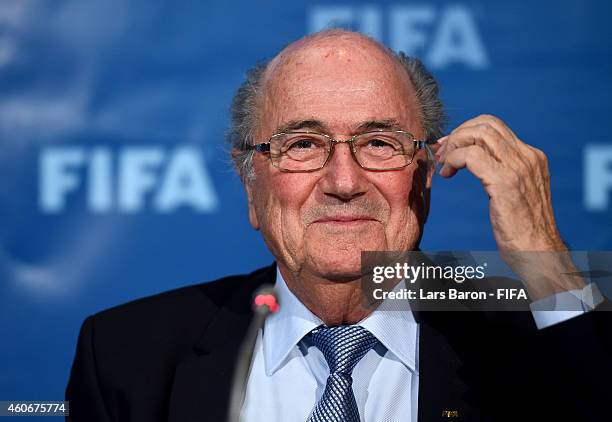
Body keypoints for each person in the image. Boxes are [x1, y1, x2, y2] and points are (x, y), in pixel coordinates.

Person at [66, 29, 610, 422]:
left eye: (379, 143)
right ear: (250, 184)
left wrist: (546, 262)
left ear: (423, 177)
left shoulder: (540, 341)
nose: (344, 181)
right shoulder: (124, 356)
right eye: (303, 145)